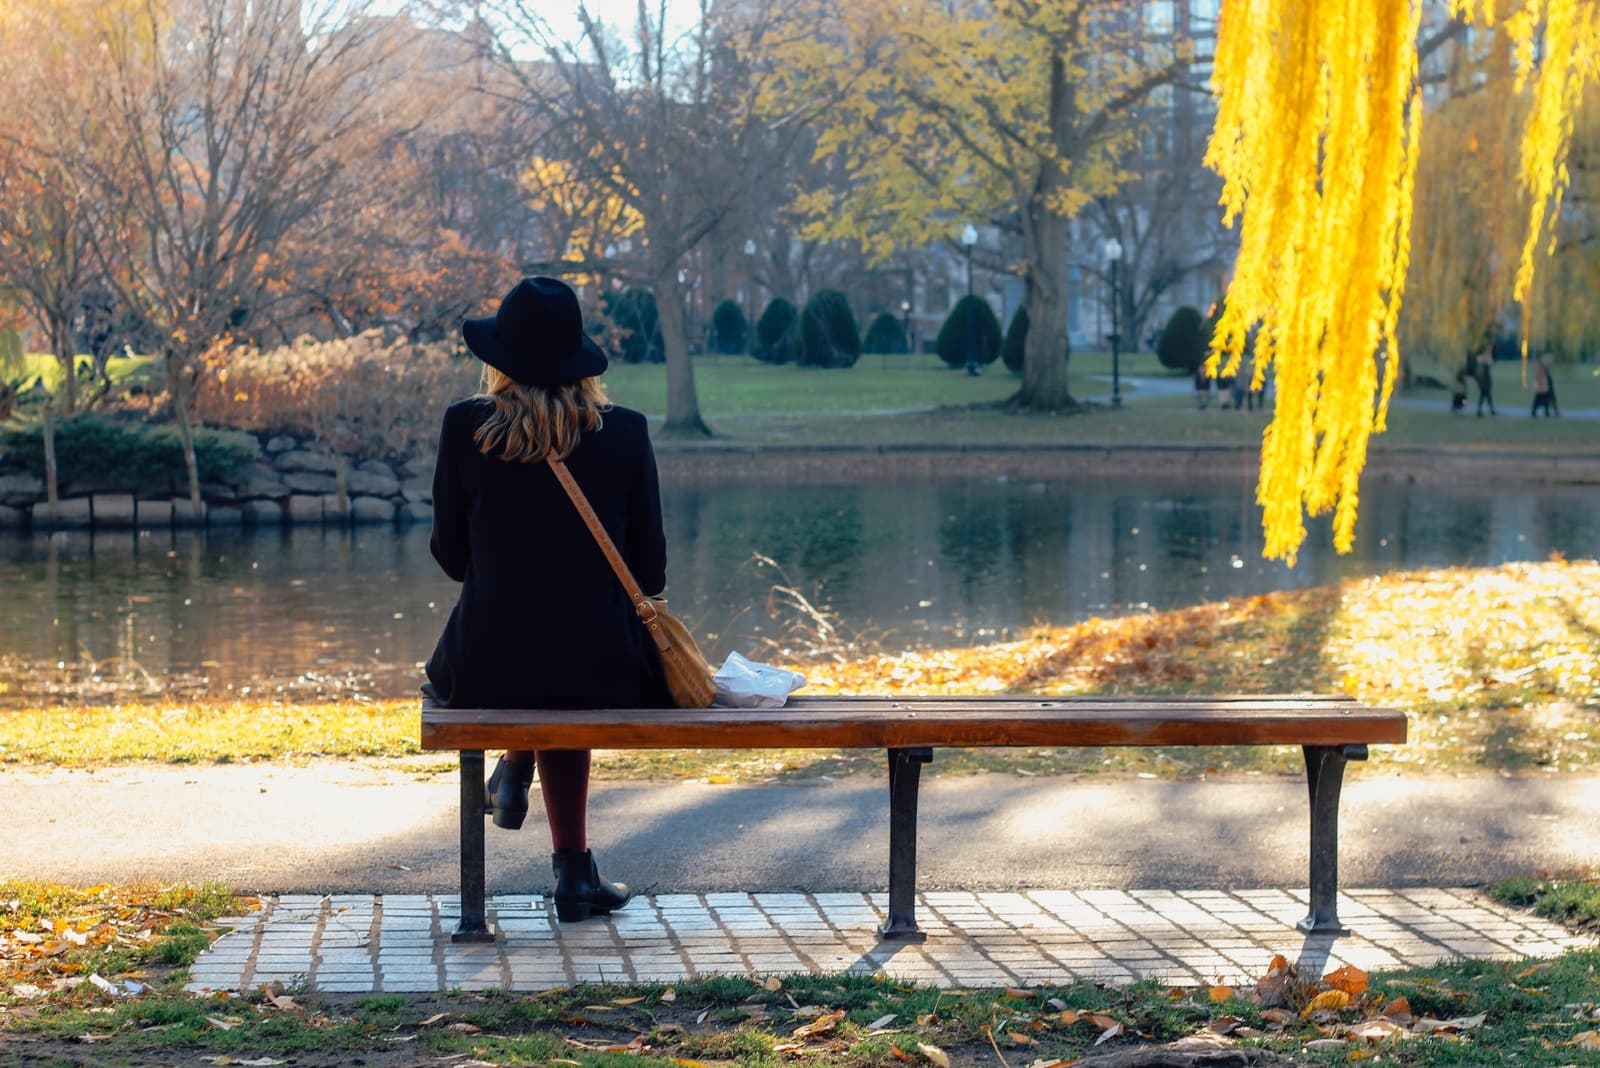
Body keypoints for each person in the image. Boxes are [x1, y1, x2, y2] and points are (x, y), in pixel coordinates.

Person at [423, 276, 671, 923]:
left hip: (486, 663)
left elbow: (451, 560)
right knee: (569, 665)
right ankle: (571, 874)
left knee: (535, 659)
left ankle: (515, 767)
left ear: (499, 359)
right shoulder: (626, 433)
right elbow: (649, 572)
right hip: (604, 667)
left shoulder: (464, 428)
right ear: (577, 358)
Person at [1531, 351, 1560, 417]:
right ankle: (1545, 413)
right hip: (1543, 387)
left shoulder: (1543, 367)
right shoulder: (1539, 366)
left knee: (1547, 400)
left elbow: (1547, 376)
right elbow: (1537, 377)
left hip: (1546, 387)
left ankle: (1548, 413)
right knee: (1540, 400)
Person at [1474, 346, 1496, 417]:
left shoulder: (1485, 358)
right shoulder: (1480, 358)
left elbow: (1490, 363)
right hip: (1483, 379)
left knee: (1485, 395)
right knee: (1485, 395)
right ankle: (1489, 410)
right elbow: (1483, 363)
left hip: (1486, 379)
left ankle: (1483, 410)